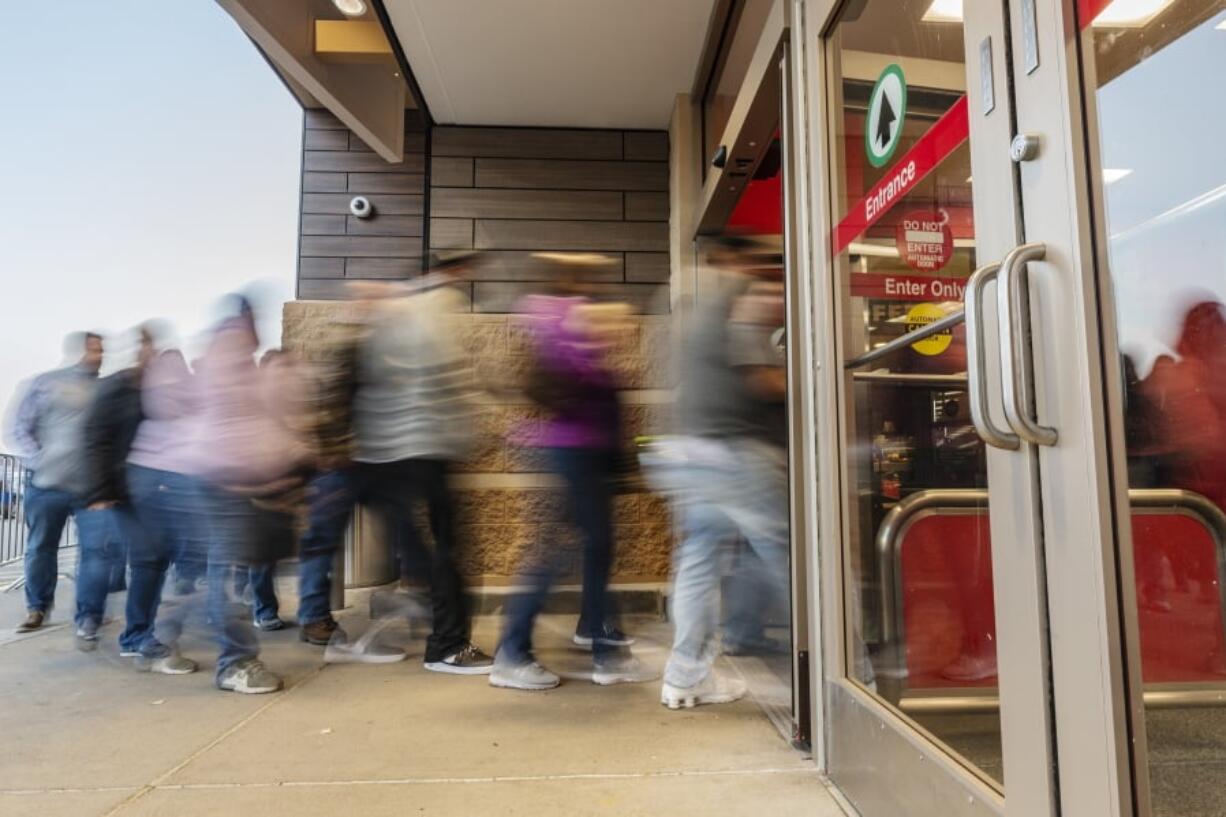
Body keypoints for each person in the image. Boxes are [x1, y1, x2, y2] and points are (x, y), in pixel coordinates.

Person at [649, 236, 789, 709]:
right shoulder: (743, 291)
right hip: (737, 453)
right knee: (795, 556)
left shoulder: (692, 305)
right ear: (741, 260)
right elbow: (761, 375)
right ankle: (847, 675)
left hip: (693, 451)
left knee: (698, 563)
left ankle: (685, 678)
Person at [491, 286, 649, 691]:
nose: (622, 331)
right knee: (562, 553)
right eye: (615, 323)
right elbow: (567, 396)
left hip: (584, 459)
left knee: (593, 551)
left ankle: (601, 639)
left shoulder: (582, 347)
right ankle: (514, 652)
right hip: (577, 458)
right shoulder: (574, 339)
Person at [352, 252, 493, 675]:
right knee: (447, 551)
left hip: (385, 456)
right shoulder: (435, 304)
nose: (465, 280)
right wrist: (472, 424)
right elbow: (447, 373)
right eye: (461, 272)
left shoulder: (392, 311)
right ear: (445, 272)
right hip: (424, 448)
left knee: (425, 550)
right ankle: (448, 645)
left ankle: (423, 612)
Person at [190, 297, 312, 693]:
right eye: (252, 319)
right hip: (225, 484)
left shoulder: (242, 364)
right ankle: (234, 662)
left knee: (245, 564)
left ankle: (182, 618)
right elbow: (236, 431)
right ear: (240, 323)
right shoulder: (227, 362)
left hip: (241, 484)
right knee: (226, 574)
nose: (258, 326)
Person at [8, 331, 103, 633]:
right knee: (41, 548)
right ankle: (37, 608)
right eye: (94, 351)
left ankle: (88, 615)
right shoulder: (46, 383)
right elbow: (20, 426)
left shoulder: (102, 389)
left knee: (94, 550)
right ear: (78, 352)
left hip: (89, 487)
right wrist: (41, 458)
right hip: (47, 485)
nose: (99, 357)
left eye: (102, 351)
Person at [73, 326, 158, 650]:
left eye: (151, 347)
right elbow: (95, 439)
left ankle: (137, 633)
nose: (147, 353)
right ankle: (89, 617)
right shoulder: (113, 388)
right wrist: (98, 493)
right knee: (101, 557)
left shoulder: (151, 392)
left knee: (146, 559)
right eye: (142, 347)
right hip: (104, 490)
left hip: (139, 490)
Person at [121, 346, 204, 674]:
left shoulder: (181, 402)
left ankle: (147, 633)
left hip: (169, 484)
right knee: (150, 564)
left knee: (165, 564)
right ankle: (141, 636)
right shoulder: (150, 402)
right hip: (151, 484)